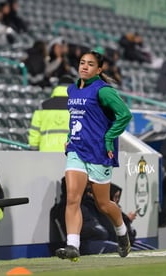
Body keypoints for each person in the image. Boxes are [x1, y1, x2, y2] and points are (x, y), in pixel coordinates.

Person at [55, 50, 133, 261]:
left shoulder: (104, 91)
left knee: (103, 204)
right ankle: (72, 245)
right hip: (76, 150)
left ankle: (122, 233)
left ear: (99, 69)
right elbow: (77, 119)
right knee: (72, 198)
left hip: (98, 152)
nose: (84, 67)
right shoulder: (71, 90)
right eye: (82, 63)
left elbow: (125, 115)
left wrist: (109, 138)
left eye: (90, 64)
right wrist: (70, 137)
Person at [28, 75, 73, 152]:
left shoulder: (43, 106)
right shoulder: (78, 107)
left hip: (46, 153)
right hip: (70, 153)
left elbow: (35, 131)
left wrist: (34, 150)